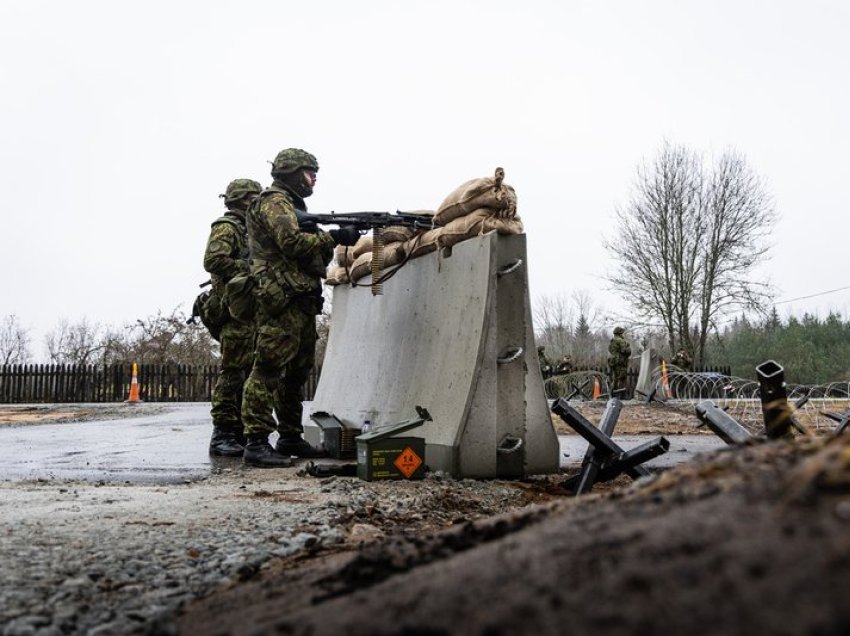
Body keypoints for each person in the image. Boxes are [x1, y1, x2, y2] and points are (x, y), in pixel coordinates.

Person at [241, 148, 359, 467]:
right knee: (268, 367)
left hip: (300, 297)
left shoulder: (292, 205)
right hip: (280, 298)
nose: (314, 178)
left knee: (297, 372)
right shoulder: (274, 201)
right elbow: (290, 243)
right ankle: (255, 441)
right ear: (292, 172)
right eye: (309, 172)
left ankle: (290, 436)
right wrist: (334, 237)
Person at [204, 178, 262, 456]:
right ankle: (222, 433)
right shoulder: (227, 227)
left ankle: (237, 431)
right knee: (233, 372)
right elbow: (213, 261)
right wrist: (250, 266)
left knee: (248, 370)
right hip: (232, 311)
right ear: (243, 200)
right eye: (255, 198)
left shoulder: (251, 229)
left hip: (248, 309)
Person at [607, 326, 631, 392]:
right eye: (622, 333)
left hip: (613, 362)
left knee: (615, 378)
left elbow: (610, 350)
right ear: (620, 333)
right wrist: (628, 348)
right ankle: (619, 394)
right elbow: (624, 351)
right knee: (621, 378)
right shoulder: (621, 341)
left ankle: (612, 393)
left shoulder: (612, 340)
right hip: (620, 362)